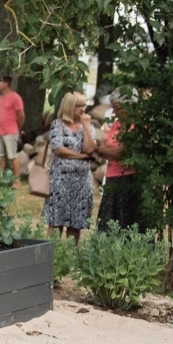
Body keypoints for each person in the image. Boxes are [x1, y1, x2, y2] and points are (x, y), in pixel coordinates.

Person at [43, 91, 98, 245]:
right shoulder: (58, 124)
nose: (82, 109)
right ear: (69, 106)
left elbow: (89, 149)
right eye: (78, 106)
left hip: (81, 182)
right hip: (61, 180)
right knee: (56, 221)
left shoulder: (88, 126)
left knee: (76, 222)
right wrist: (81, 157)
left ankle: (71, 258)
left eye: (84, 105)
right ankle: (52, 256)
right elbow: (58, 148)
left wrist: (86, 127)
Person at [95, 87, 146, 232]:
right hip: (112, 177)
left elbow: (122, 152)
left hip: (129, 180)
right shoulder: (117, 124)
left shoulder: (136, 125)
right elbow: (109, 145)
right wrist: (108, 150)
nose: (114, 112)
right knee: (108, 225)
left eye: (117, 108)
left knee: (127, 223)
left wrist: (105, 151)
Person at [0, 75, 25, 177]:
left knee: (12, 156)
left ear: (6, 83)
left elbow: (21, 115)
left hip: (10, 131)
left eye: (0, 81)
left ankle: (16, 179)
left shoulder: (15, 97)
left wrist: (17, 127)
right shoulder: (0, 98)